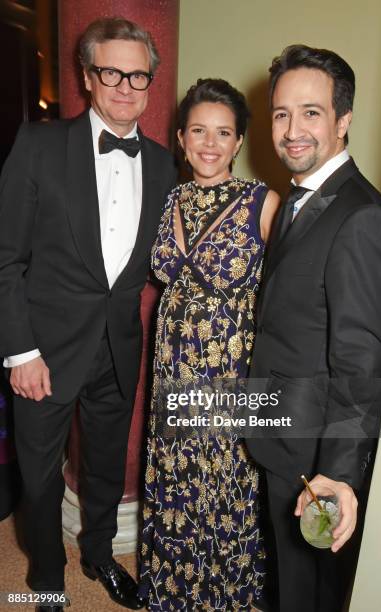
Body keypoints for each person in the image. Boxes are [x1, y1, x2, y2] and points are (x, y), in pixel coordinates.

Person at [0, 17, 176, 612]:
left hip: (118, 345)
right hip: (42, 352)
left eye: (138, 74)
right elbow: (4, 259)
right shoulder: (38, 144)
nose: (125, 86)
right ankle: (46, 576)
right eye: (111, 71)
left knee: (103, 463)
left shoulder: (164, 165)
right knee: (41, 472)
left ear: (150, 81)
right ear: (87, 76)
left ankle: (98, 554)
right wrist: (19, 351)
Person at [246, 45, 381, 612]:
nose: (292, 130)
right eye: (282, 113)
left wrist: (338, 479)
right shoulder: (298, 200)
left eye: (311, 112)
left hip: (316, 457)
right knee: (287, 581)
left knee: (309, 593)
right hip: (283, 433)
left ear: (344, 120)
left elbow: (362, 364)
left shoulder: (364, 219)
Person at [137, 78, 280, 610]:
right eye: (199, 130)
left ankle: (225, 598)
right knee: (176, 482)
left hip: (228, 376)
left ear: (240, 141)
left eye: (224, 132)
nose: (210, 143)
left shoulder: (261, 202)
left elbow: (289, 294)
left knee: (224, 490)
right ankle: (174, 593)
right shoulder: (170, 197)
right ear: (180, 136)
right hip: (171, 369)